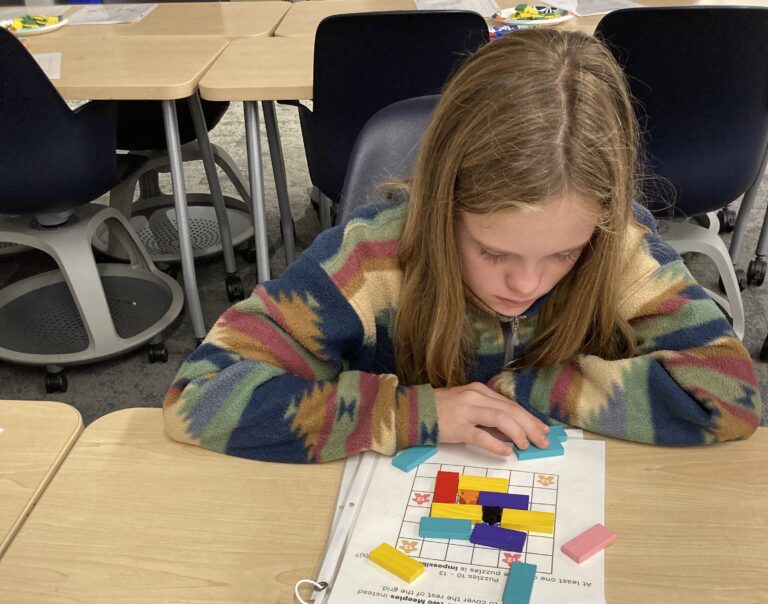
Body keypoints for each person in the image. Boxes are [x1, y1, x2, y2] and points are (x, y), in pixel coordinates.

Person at [163, 29, 761, 463]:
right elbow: (198, 397)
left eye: (563, 254)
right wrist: (411, 413)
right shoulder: (369, 261)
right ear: (440, 207)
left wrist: (520, 390)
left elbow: (729, 395)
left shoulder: (619, 252)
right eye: (494, 253)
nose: (526, 285)